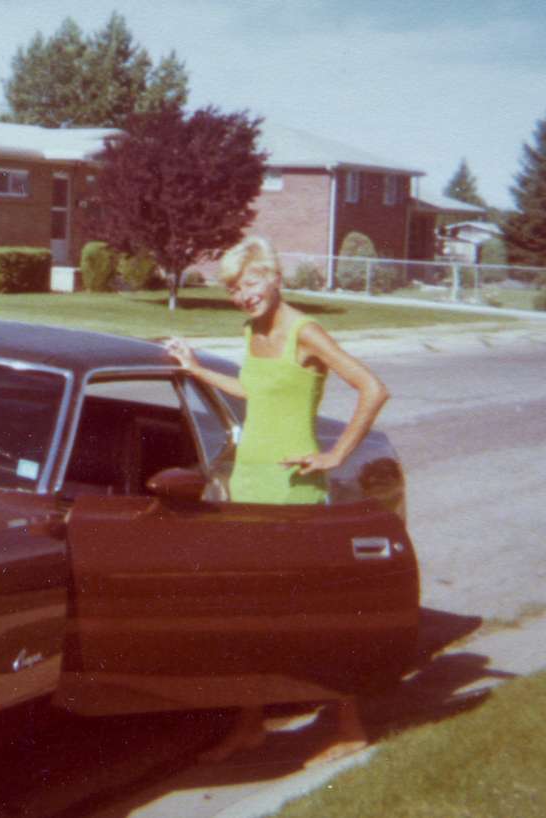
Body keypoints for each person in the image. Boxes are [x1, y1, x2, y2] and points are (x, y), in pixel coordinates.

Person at [164, 235, 390, 767]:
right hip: (248, 486)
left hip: (293, 492)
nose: (244, 295)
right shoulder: (251, 331)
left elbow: (372, 387)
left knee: (307, 616)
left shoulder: (305, 332)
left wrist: (335, 454)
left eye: (251, 282)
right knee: (249, 614)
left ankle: (350, 726)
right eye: (235, 289)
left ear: (274, 277)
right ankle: (250, 727)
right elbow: (255, 393)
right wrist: (195, 369)